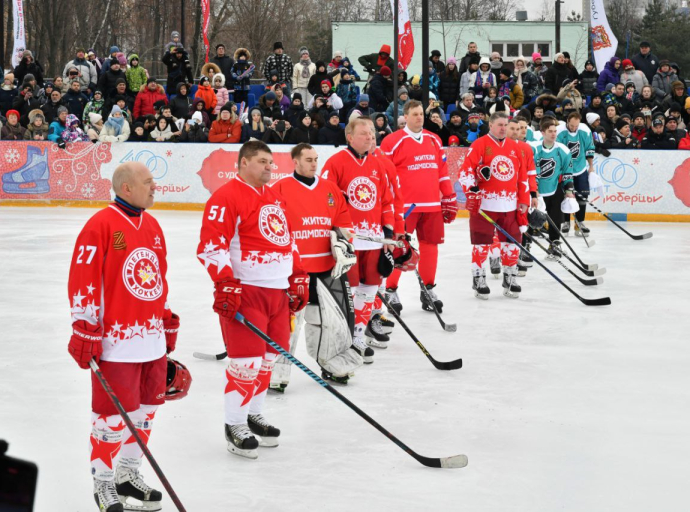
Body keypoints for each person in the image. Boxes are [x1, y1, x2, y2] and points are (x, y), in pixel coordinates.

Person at [67, 162, 181, 512]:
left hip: (151, 340)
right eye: (148, 182)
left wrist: (164, 319)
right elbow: (82, 278)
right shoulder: (100, 224)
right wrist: (83, 326)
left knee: (146, 412)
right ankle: (102, 481)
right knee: (111, 416)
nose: (154, 187)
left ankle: (127, 473)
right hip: (116, 343)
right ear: (126, 188)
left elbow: (155, 280)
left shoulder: (154, 226)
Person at [197, 140, 308, 458]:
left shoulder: (275, 197)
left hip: (277, 294)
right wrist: (226, 283)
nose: (269, 167)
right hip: (247, 293)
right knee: (245, 363)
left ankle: (253, 413)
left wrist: (298, 276)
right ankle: (234, 424)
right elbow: (211, 247)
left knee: (268, 361)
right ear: (243, 163)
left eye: (271, 162)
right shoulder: (226, 197)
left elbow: (288, 241)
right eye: (262, 161)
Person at [269, 143, 360, 389]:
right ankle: (277, 372)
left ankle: (330, 364)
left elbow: (344, 224)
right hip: (294, 270)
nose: (313, 163)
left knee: (326, 321)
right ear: (295, 162)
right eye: (308, 159)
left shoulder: (330, 189)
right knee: (288, 322)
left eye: (316, 159)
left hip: (326, 268)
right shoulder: (278, 189)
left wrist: (342, 241)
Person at [321, 118, 396, 363]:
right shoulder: (336, 162)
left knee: (370, 289)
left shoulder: (378, 164)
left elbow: (386, 201)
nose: (369, 137)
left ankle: (358, 334)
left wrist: (388, 233)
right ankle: (346, 337)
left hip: (374, 240)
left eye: (372, 132)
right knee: (350, 291)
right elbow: (325, 197)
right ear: (350, 137)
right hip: (350, 241)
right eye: (364, 133)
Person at [380, 100, 457, 312]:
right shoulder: (392, 141)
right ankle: (391, 290)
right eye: (415, 114)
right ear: (405, 116)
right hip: (405, 207)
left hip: (431, 205)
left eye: (421, 114)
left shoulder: (434, 140)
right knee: (398, 248)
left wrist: (449, 196)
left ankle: (427, 289)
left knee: (430, 247)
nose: (419, 118)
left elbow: (442, 171)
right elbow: (384, 177)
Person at [458, 112, 530, 299]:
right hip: (485, 206)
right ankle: (479, 277)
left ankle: (510, 277)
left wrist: (524, 201)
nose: (503, 128)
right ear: (490, 125)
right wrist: (473, 192)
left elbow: (522, 178)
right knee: (481, 244)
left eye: (506, 125)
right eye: (499, 125)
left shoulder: (515, 148)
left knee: (512, 244)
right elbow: (465, 171)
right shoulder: (480, 144)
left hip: (510, 205)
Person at [528, 117, 575, 257]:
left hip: (554, 189)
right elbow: (531, 171)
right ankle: (527, 245)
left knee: (555, 218)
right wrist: (533, 191)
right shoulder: (534, 149)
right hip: (535, 192)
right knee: (531, 219)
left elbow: (568, 171)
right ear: (542, 132)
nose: (553, 134)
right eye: (550, 131)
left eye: (555, 131)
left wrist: (569, 190)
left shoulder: (563, 150)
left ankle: (554, 243)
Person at [556, 112, 595, 237]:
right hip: (565, 170)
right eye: (571, 126)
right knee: (566, 196)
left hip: (580, 169)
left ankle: (580, 223)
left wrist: (591, 167)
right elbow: (557, 151)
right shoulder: (560, 132)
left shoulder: (584, 130)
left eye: (576, 126)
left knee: (582, 197)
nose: (574, 128)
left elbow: (589, 148)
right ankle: (566, 222)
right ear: (567, 121)